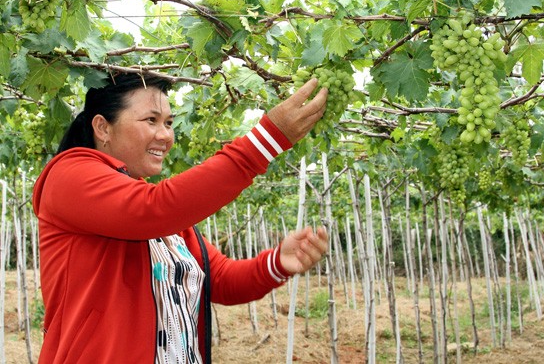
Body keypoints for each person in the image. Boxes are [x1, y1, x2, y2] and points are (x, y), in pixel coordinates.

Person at [32, 72, 329, 363]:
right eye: (151, 120)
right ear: (103, 128)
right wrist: (266, 141)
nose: (165, 135)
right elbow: (152, 209)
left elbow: (220, 280)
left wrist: (278, 263)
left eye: (169, 123)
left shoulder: (159, 217)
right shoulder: (70, 176)